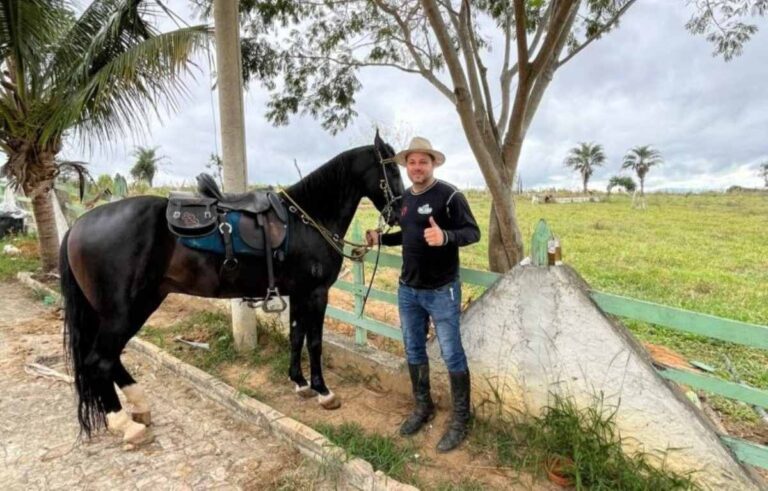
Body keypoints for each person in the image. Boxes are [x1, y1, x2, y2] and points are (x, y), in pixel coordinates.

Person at [366, 136, 480, 452]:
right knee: (414, 350)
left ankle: (460, 419)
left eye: (423, 162)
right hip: (408, 291)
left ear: (433, 164)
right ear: (407, 166)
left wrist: (445, 236)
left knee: (451, 352)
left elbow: (473, 233)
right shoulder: (405, 198)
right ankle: (423, 406)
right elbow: (409, 233)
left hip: (442, 291)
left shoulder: (449, 195)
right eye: (412, 162)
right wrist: (381, 239)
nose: (417, 167)